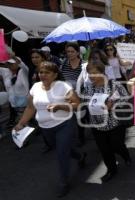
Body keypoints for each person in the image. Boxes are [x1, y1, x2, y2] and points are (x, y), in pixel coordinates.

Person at [14, 61, 86, 197]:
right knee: (63, 149)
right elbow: (30, 108)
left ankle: (64, 183)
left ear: (54, 75)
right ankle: (80, 156)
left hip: (64, 124)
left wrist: (60, 106)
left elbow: (77, 105)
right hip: (45, 128)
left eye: (47, 72)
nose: (43, 75)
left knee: (61, 154)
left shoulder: (62, 86)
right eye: (41, 72)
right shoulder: (35, 87)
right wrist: (21, 123)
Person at [82, 61, 131, 182]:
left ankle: (125, 154)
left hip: (115, 123)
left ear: (102, 72)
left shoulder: (114, 85)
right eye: (89, 74)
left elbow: (126, 100)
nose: (92, 76)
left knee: (116, 145)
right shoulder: (88, 88)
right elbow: (85, 102)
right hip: (97, 124)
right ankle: (111, 170)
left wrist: (112, 105)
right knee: (104, 149)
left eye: (95, 73)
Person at [61, 42, 86, 146]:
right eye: (68, 52)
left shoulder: (84, 64)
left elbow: (87, 80)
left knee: (81, 116)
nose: (70, 53)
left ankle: (81, 137)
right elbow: (60, 78)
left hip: (81, 94)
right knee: (69, 115)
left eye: (72, 51)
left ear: (77, 52)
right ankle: (71, 136)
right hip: (67, 94)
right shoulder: (63, 64)